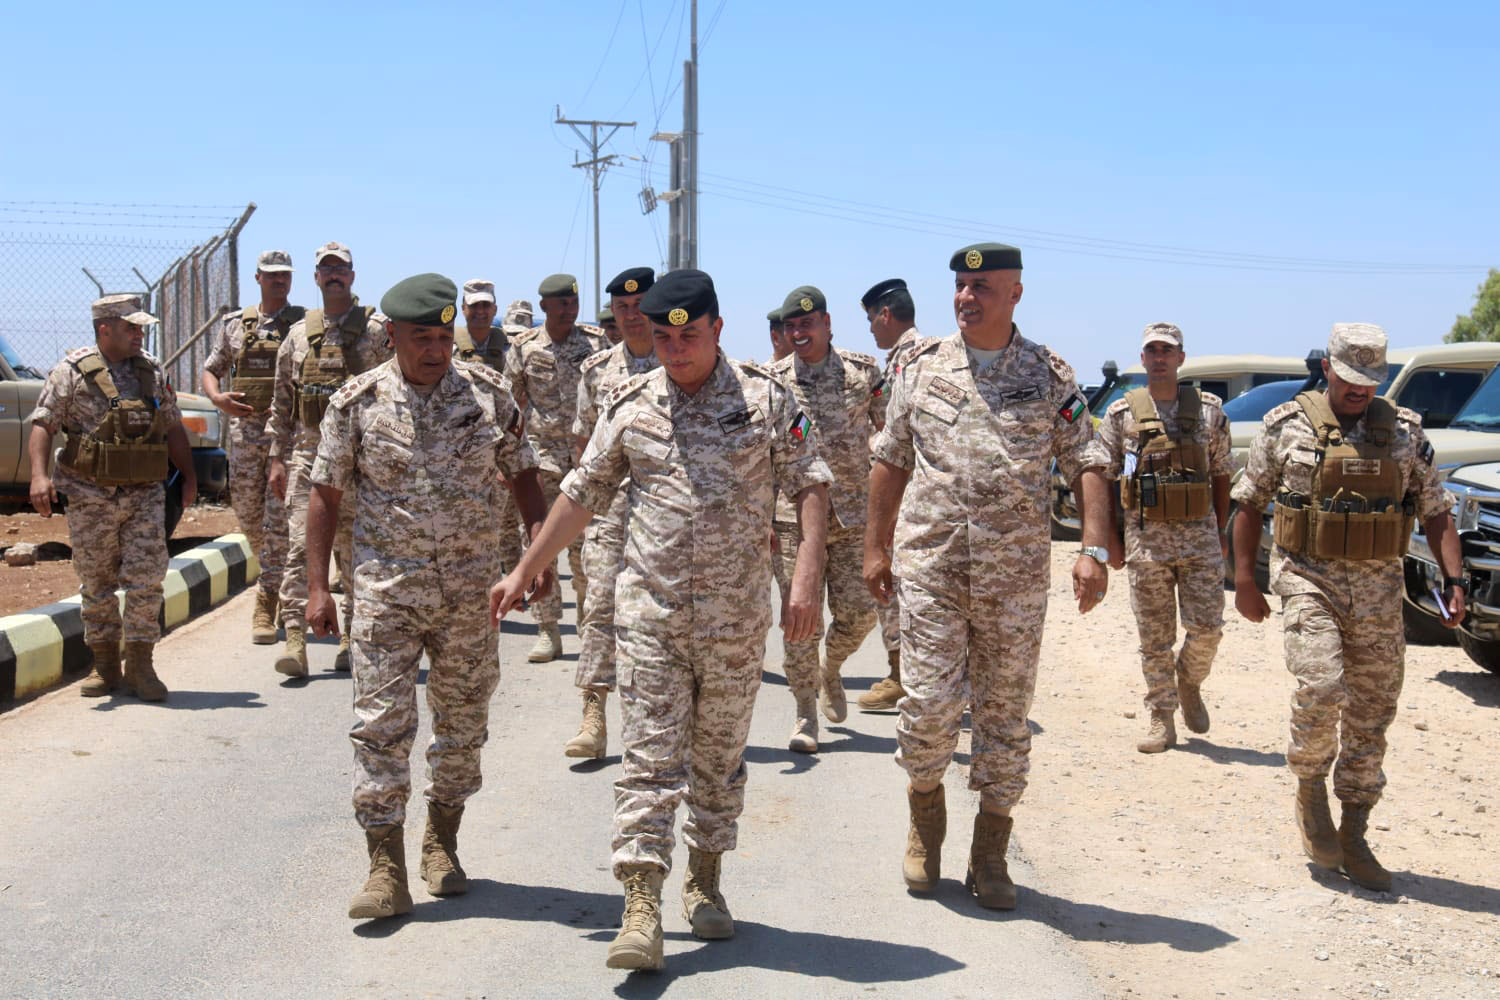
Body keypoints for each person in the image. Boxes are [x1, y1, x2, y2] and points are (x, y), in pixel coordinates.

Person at [490, 269, 832, 971]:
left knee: (718, 760)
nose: (676, 350)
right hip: (651, 614)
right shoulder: (630, 403)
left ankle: (704, 879)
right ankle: (641, 904)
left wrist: (805, 579)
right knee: (648, 760)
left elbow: (811, 485)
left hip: (735, 620)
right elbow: (581, 494)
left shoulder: (767, 399)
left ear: (717, 329)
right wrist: (527, 567)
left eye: (690, 336)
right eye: (665, 338)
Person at [864, 242, 1112, 910]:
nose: (966, 297)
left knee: (1004, 717)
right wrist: (874, 547)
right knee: (928, 708)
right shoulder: (920, 367)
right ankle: (925, 820)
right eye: (960, 286)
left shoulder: (1048, 373)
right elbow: (890, 458)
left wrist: (1093, 549)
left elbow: (1087, 458)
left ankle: (991, 849)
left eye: (981, 286)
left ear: (1016, 293)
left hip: (1014, 579)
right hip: (933, 568)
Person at [305, 273, 551, 921]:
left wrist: (536, 551)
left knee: (463, 725)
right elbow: (324, 496)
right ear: (392, 335)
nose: (437, 350)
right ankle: (385, 866)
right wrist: (316, 588)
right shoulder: (356, 403)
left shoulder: (489, 394)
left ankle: (442, 839)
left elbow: (523, 472)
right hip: (386, 594)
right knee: (379, 727)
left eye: (445, 337)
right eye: (423, 338)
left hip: (471, 595)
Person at [1231, 322, 1462, 892]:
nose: (1360, 389)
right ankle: (1311, 788)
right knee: (1321, 683)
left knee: (1372, 711)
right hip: (1308, 579)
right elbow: (1248, 503)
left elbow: (1435, 511)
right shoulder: (1285, 426)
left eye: (1370, 380)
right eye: (1350, 378)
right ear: (1327, 369)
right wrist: (1243, 581)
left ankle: (1355, 830)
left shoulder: (1405, 434)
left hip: (1379, 594)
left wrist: (1453, 578)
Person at [28, 294, 197, 701]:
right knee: (97, 582)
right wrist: (38, 476)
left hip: (144, 495)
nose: (139, 334)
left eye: (140, 327)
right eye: (131, 327)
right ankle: (105, 665)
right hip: (90, 495)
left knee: (147, 579)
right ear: (105, 329)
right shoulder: (71, 372)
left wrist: (189, 475)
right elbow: (43, 424)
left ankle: (140, 664)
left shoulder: (151, 370)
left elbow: (172, 425)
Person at [1088, 322, 1231, 753]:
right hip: (1146, 542)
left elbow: (1221, 473)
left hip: (1200, 541)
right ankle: (1161, 716)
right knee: (1154, 639)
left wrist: (1220, 531)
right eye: (1152, 350)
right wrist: (1112, 541)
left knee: (1208, 629)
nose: (1160, 357)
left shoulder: (1208, 412)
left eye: (1167, 350)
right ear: (1143, 358)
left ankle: (1189, 682)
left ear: (1181, 358)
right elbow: (1109, 476)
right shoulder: (1122, 414)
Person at [265, 241, 391, 677]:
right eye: (327, 269)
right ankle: (295, 640)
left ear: (352, 277)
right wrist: (276, 458)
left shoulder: (377, 332)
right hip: (309, 459)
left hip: (363, 463)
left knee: (357, 555)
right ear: (316, 278)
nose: (334, 275)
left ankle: (350, 638)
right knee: (301, 549)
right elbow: (282, 403)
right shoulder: (298, 336)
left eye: (341, 269)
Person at [768, 284, 882, 752]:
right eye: (791, 326)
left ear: (827, 323)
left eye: (807, 323)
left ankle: (830, 667)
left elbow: (892, 431)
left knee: (861, 613)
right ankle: (805, 713)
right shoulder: (772, 381)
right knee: (801, 622)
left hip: (854, 517)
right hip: (792, 520)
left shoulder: (863, 373)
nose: (799, 333)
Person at [564, 266, 660, 760]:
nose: (631, 315)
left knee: (661, 616)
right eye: (622, 308)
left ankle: (660, 719)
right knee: (599, 606)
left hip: (666, 513)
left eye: (640, 305)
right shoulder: (596, 371)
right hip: (609, 508)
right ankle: (594, 714)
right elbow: (583, 443)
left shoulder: (682, 358)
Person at [502, 273, 609, 662]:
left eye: (573, 302)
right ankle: (547, 629)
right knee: (538, 545)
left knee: (585, 549)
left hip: (586, 461)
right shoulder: (524, 347)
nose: (568, 309)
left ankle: (585, 620)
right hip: (541, 459)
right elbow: (510, 406)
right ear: (544, 306)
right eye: (561, 303)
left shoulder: (597, 343)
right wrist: (507, 459)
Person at [201, 250, 304, 644]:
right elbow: (211, 369)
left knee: (278, 521)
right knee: (248, 516)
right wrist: (218, 398)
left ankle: (267, 600)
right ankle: (276, 569)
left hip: (286, 437)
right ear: (258, 278)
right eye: (272, 275)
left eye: (285, 275)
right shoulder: (235, 325)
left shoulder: (302, 325)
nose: (280, 280)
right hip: (245, 436)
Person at [858, 277, 923, 711]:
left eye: (870, 320)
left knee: (897, 589)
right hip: (909, 494)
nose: (870, 329)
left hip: (907, 497)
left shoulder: (909, 361)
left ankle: (905, 677)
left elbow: (901, 437)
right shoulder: (908, 357)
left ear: (885, 314)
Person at [453, 279, 522, 579]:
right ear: (463, 309)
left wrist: (509, 459)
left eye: (486, 305)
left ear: (495, 309)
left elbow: (522, 403)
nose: (480, 311)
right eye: (474, 306)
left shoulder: (511, 348)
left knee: (504, 530)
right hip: (459, 457)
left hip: (501, 453)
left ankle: (513, 588)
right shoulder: (450, 348)